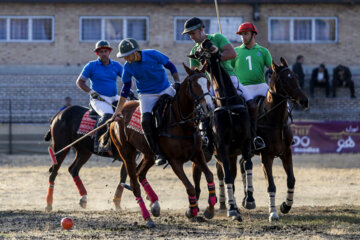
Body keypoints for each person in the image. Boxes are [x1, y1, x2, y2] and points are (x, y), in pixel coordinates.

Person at [182, 17, 253, 151]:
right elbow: (193, 73)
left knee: (251, 103)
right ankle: (207, 138)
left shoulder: (217, 37)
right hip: (211, 83)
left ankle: (254, 137)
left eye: (193, 33)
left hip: (230, 78)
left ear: (202, 29)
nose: (191, 36)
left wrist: (215, 57)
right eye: (189, 34)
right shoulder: (194, 51)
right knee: (204, 109)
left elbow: (232, 54)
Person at [112, 38, 180, 166]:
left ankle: (202, 137)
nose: (125, 59)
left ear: (135, 52)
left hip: (165, 89)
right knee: (145, 121)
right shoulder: (128, 67)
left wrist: (177, 82)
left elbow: (170, 66)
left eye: (127, 56)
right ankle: (157, 153)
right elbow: (126, 88)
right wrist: (118, 110)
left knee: (183, 106)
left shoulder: (153, 54)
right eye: (124, 57)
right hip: (146, 95)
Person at [76, 40, 123, 154]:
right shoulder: (91, 65)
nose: (103, 53)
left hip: (114, 97)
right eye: (101, 51)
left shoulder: (116, 65)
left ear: (109, 52)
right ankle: (99, 144)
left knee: (129, 111)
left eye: (105, 51)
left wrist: (128, 90)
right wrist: (91, 92)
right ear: (97, 53)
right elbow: (80, 82)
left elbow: (127, 80)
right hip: (98, 99)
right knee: (108, 116)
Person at [230, 22, 272, 150]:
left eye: (246, 34)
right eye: (241, 34)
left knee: (281, 102)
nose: (243, 36)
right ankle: (253, 138)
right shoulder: (235, 51)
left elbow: (272, 68)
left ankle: (285, 132)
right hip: (244, 87)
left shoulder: (263, 51)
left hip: (261, 85)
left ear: (253, 34)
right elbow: (228, 69)